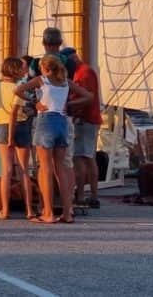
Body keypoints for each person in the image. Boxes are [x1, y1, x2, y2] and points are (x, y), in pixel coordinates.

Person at [15, 54, 91, 224]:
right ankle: (67, 213)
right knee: (61, 169)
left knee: (45, 168)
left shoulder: (42, 80)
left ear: (45, 68)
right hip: (62, 122)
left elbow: (18, 90)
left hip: (46, 121)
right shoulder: (65, 82)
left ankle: (48, 212)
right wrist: (68, 105)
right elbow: (88, 96)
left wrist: (35, 101)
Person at [0, 57, 35, 220]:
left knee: (6, 170)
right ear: (15, 71)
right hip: (21, 126)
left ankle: (5, 210)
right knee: (24, 171)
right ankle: (29, 210)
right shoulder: (19, 88)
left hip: (3, 126)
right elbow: (17, 111)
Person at [69, 51, 103, 208]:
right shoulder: (85, 71)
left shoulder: (83, 73)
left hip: (84, 120)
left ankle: (81, 195)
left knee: (80, 158)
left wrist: (71, 109)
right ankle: (93, 195)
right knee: (89, 157)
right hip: (90, 119)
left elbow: (86, 98)